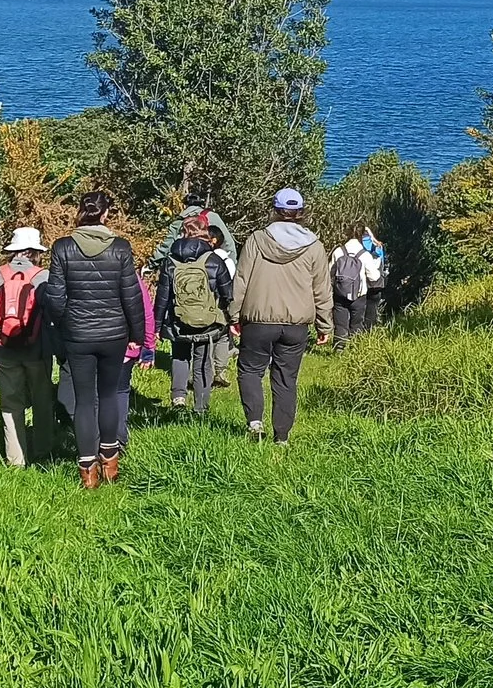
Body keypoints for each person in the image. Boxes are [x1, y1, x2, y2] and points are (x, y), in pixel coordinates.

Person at [40, 191, 146, 489]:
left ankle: (87, 468)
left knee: (85, 399)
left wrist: (63, 326)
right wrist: (137, 336)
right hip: (114, 333)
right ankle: (110, 460)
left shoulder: (62, 248)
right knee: (109, 395)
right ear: (106, 214)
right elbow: (132, 296)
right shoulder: (121, 248)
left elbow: (56, 298)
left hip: (78, 334)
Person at [233, 187, 332, 443]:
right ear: (300, 212)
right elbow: (321, 288)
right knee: (286, 379)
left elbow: (241, 279)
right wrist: (325, 325)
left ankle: (255, 423)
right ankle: (282, 436)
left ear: (275, 210)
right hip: (295, 325)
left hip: (258, 320)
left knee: (250, 371)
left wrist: (234, 315)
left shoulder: (256, 239)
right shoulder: (315, 246)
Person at [153, 214, 234, 413]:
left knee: (180, 358)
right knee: (202, 361)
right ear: (205, 234)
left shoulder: (170, 262)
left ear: (182, 233)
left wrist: (156, 326)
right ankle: (201, 407)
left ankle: (178, 398)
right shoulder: (214, 260)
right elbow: (227, 293)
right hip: (208, 322)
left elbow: (162, 296)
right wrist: (231, 319)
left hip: (178, 320)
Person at [0, 227, 56, 463]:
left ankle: (15, 458)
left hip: (6, 348)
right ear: (36, 252)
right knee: (42, 400)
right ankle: (43, 451)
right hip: (38, 349)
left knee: (10, 404)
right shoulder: (43, 276)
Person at [330, 237, 373, 348]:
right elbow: (374, 277)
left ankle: (339, 349)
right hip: (359, 296)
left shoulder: (338, 251)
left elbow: (330, 272)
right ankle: (355, 349)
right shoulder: (365, 255)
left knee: (340, 324)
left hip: (340, 294)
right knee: (357, 324)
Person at [359, 229, 389, 330]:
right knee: (372, 311)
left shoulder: (359, 245)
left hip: (361, 283)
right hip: (376, 283)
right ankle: (369, 333)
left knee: (359, 311)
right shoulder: (378, 246)